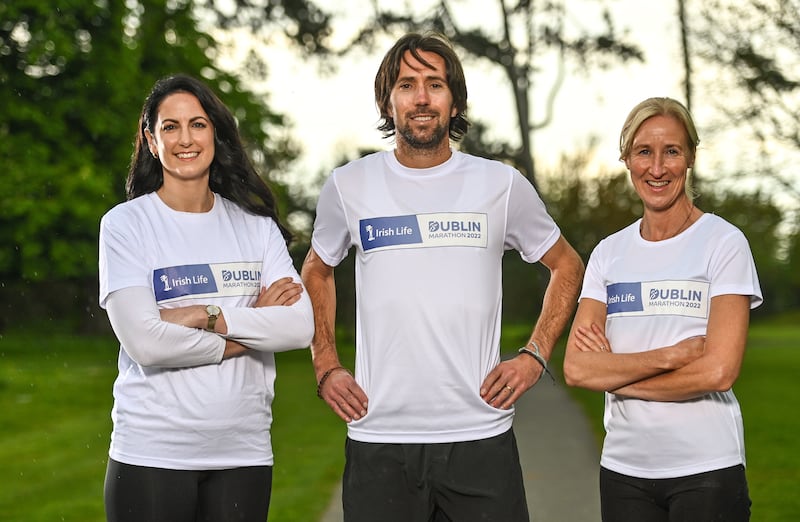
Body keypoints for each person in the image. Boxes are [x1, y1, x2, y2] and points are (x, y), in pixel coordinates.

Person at [301, 32, 584, 521]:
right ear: (388, 104)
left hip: (480, 435)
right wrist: (325, 363)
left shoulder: (500, 185)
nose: (422, 97)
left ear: (455, 103)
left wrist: (535, 355)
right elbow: (317, 269)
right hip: (380, 437)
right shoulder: (349, 186)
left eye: (435, 84)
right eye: (407, 85)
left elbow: (567, 265)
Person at [98, 74, 314, 522]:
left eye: (197, 124)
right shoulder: (126, 226)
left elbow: (297, 327)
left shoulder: (256, 226)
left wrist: (202, 315)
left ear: (215, 131)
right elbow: (147, 345)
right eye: (170, 127)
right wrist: (251, 324)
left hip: (244, 452)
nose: (185, 139)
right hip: (152, 453)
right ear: (151, 141)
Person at [563, 97, 762, 522]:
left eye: (671, 151)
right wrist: (671, 356)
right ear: (627, 159)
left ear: (689, 157)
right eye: (643, 152)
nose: (657, 168)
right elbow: (579, 370)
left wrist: (618, 377)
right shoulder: (608, 254)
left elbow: (718, 371)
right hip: (624, 471)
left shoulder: (723, 244)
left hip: (706, 469)